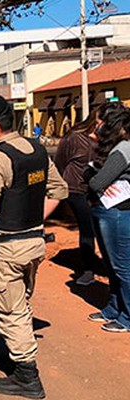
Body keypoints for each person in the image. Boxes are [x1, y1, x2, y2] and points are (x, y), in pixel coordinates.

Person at [0, 95, 68, 399]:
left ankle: (27, 377)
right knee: (21, 304)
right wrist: (34, 222)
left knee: (11, 312)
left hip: (8, 249)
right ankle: (15, 358)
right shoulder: (35, 150)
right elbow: (58, 190)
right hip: (34, 244)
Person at [85, 102, 130, 333]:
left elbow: (96, 182)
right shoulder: (116, 147)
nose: (97, 126)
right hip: (109, 211)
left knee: (122, 267)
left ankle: (128, 317)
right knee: (112, 265)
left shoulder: (123, 149)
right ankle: (114, 308)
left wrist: (90, 170)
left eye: (100, 122)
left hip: (119, 214)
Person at [54, 111, 99, 286]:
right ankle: (88, 270)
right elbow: (59, 162)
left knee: (100, 227)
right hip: (76, 189)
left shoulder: (109, 139)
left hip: (99, 188)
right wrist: (64, 184)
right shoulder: (74, 138)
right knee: (87, 227)